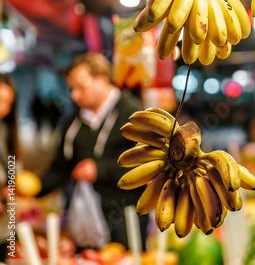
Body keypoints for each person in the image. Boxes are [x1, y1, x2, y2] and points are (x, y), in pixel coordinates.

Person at [39, 52, 148, 250]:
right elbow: (60, 167)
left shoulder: (134, 114)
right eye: (72, 88)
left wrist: (99, 169)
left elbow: (146, 165)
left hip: (124, 217)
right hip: (84, 219)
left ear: (102, 80)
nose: (74, 95)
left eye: (81, 87)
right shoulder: (74, 121)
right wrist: (35, 188)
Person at [0, 74, 20, 262]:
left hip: (4, 224)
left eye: (8, 103)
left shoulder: (5, 129)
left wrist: (10, 187)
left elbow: (11, 168)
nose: (3, 108)